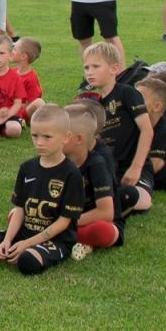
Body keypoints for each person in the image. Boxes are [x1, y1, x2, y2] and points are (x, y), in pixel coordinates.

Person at [0, 104, 85, 275]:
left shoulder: (72, 174)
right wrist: (8, 240)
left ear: (65, 137)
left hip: (56, 239)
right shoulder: (27, 168)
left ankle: (29, 251)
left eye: (47, 137)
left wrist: (27, 244)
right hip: (24, 232)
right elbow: (19, 209)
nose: (39, 142)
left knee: (27, 262)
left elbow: (64, 222)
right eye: (35, 136)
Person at [80, 41, 153, 200]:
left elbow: (147, 130)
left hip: (133, 164)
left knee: (139, 199)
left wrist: (136, 167)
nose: (90, 73)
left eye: (96, 67)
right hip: (108, 166)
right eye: (87, 68)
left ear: (114, 68)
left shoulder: (127, 93)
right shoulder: (95, 104)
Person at [62, 101, 124, 259]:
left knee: (103, 231)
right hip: (66, 216)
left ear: (78, 139)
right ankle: (65, 236)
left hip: (89, 218)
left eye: (61, 133)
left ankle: (61, 235)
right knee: (16, 215)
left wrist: (63, 222)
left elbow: (106, 212)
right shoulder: (54, 158)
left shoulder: (98, 163)